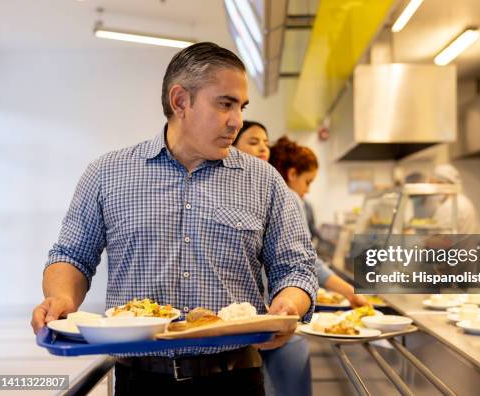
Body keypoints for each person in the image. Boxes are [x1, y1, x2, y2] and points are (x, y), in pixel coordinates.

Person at [30, 42, 317, 396]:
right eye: (225, 104)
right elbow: (72, 255)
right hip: (140, 381)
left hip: (235, 380)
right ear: (180, 101)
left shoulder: (264, 181)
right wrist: (60, 298)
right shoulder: (106, 174)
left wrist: (290, 303)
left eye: (240, 107)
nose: (237, 121)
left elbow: (296, 268)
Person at [233, 131, 368, 396]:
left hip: (266, 312)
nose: (263, 149)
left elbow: (298, 262)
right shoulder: (283, 194)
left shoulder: (268, 191)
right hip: (274, 313)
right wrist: (351, 292)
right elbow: (308, 264)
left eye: (265, 143)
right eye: (308, 181)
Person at [429, 164, 480, 235]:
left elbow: (445, 241)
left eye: (433, 184)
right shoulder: (460, 200)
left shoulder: (451, 206)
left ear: (443, 184)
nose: (432, 189)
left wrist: (419, 240)